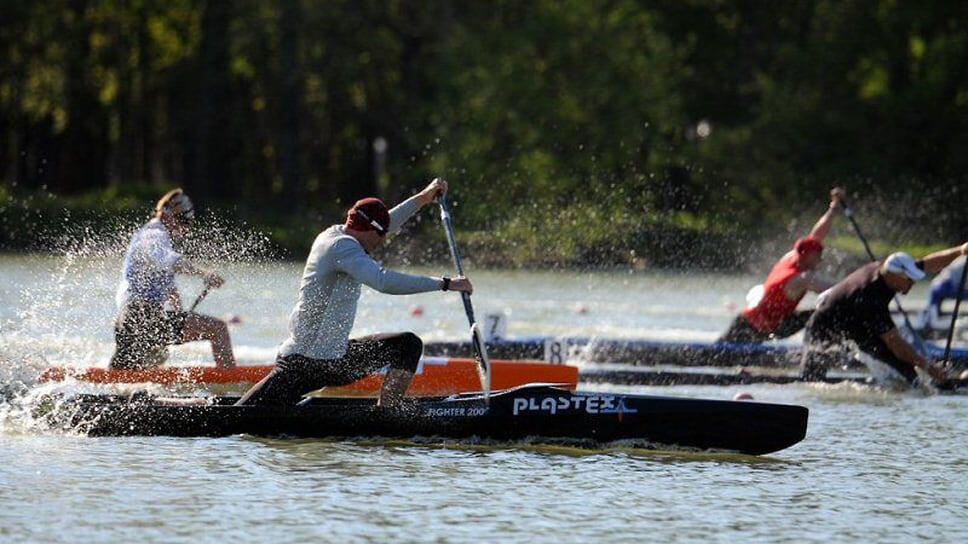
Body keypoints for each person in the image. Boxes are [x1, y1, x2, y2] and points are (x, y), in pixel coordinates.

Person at [236, 178, 472, 408]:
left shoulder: (345, 233)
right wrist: (445, 283)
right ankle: (203, 408)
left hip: (334, 358)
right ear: (370, 230)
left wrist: (422, 198)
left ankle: (388, 412)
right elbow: (383, 281)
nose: (383, 241)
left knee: (407, 345)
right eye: (382, 236)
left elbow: (386, 223)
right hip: (305, 363)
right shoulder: (341, 247)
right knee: (237, 416)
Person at [800, 244, 968, 385]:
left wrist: (960, 251)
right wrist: (930, 368)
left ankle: (910, 384)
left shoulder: (888, 268)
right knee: (812, 381)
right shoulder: (871, 298)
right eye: (910, 280)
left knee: (907, 374)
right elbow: (897, 344)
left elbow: (929, 264)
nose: (913, 283)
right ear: (895, 276)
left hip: (857, 323)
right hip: (824, 326)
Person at [110, 189, 235, 370]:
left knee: (135, 371)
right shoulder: (154, 235)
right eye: (183, 221)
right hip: (140, 317)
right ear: (167, 215)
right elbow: (170, 260)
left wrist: (182, 316)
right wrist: (205, 274)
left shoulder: (154, 238)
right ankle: (231, 384)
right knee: (218, 329)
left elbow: (171, 290)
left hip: (133, 320)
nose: (185, 228)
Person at [718, 188, 846, 344]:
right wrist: (862, 286)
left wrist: (833, 208)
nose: (821, 260)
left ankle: (833, 345)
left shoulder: (792, 256)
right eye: (818, 257)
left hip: (775, 325)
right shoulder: (802, 278)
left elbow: (816, 235)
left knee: (821, 314)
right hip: (748, 328)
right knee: (719, 355)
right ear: (808, 258)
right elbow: (841, 292)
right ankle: (820, 350)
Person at [919, 255, 967, 329]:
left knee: (932, 308)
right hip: (943, 286)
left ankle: (927, 321)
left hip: (937, 285)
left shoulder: (962, 258)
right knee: (932, 309)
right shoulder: (964, 260)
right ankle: (927, 323)